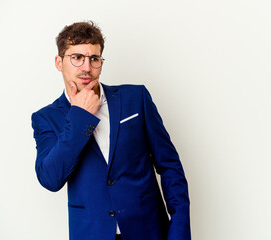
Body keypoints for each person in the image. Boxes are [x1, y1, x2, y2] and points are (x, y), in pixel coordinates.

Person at [31, 21, 191, 240]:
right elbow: (51, 178)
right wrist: (81, 116)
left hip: (148, 231)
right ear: (59, 62)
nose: (86, 67)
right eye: (77, 57)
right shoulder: (46, 118)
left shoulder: (136, 99)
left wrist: (179, 232)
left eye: (94, 59)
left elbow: (170, 166)